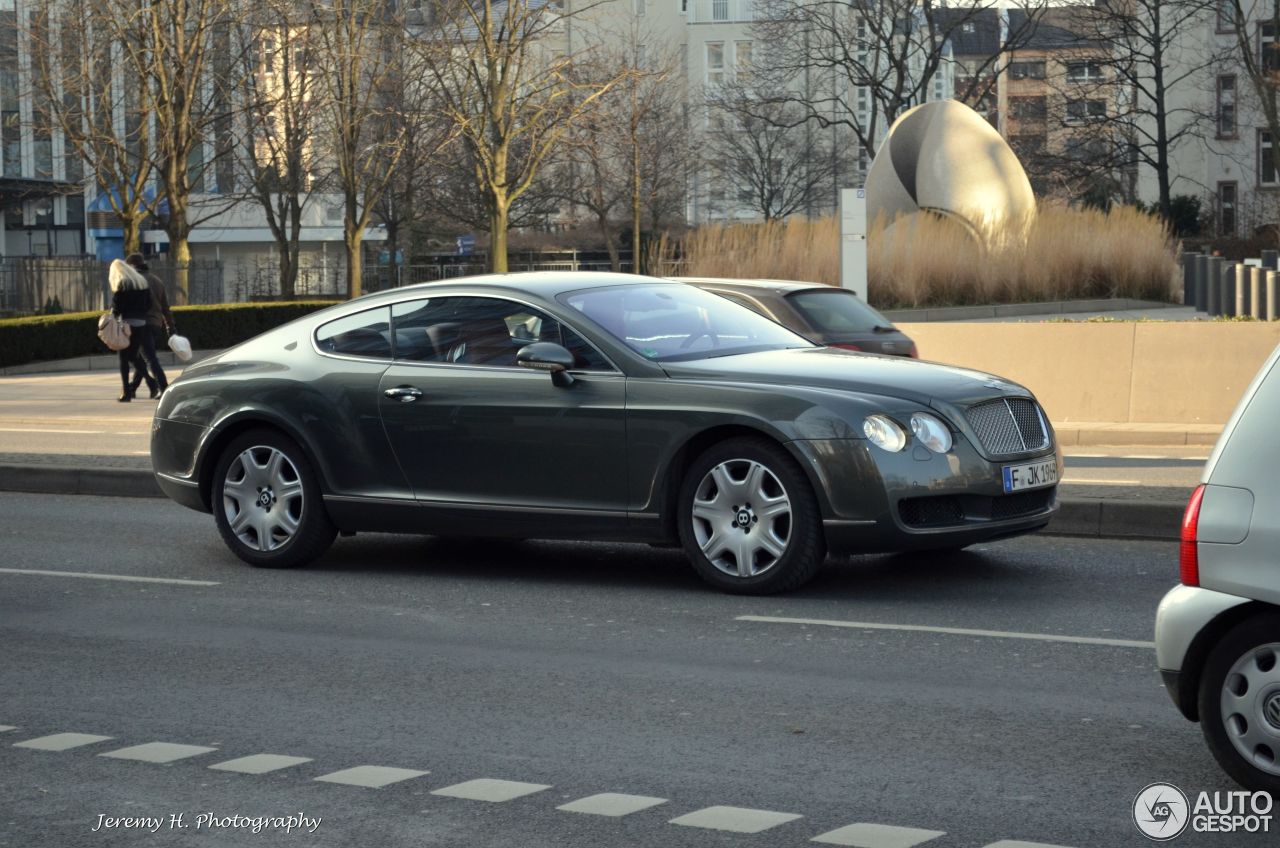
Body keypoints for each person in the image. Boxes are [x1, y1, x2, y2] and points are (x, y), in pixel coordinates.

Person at [108, 258, 165, 403]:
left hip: (127, 324)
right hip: (142, 324)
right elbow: (149, 304)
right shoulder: (141, 282)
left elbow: (117, 307)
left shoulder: (122, 284)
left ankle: (126, 392)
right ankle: (151, 383)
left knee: (123, 359)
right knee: (134, 357)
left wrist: (114, 316)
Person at [123, 253, 174, 398]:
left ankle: (164, 389)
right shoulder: (157, 281)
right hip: (155, 325)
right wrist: (170, 326)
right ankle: (134, 388)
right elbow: (165, 307)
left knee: (149, 358)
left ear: (133, 265)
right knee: (142, 355)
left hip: (139, 325)